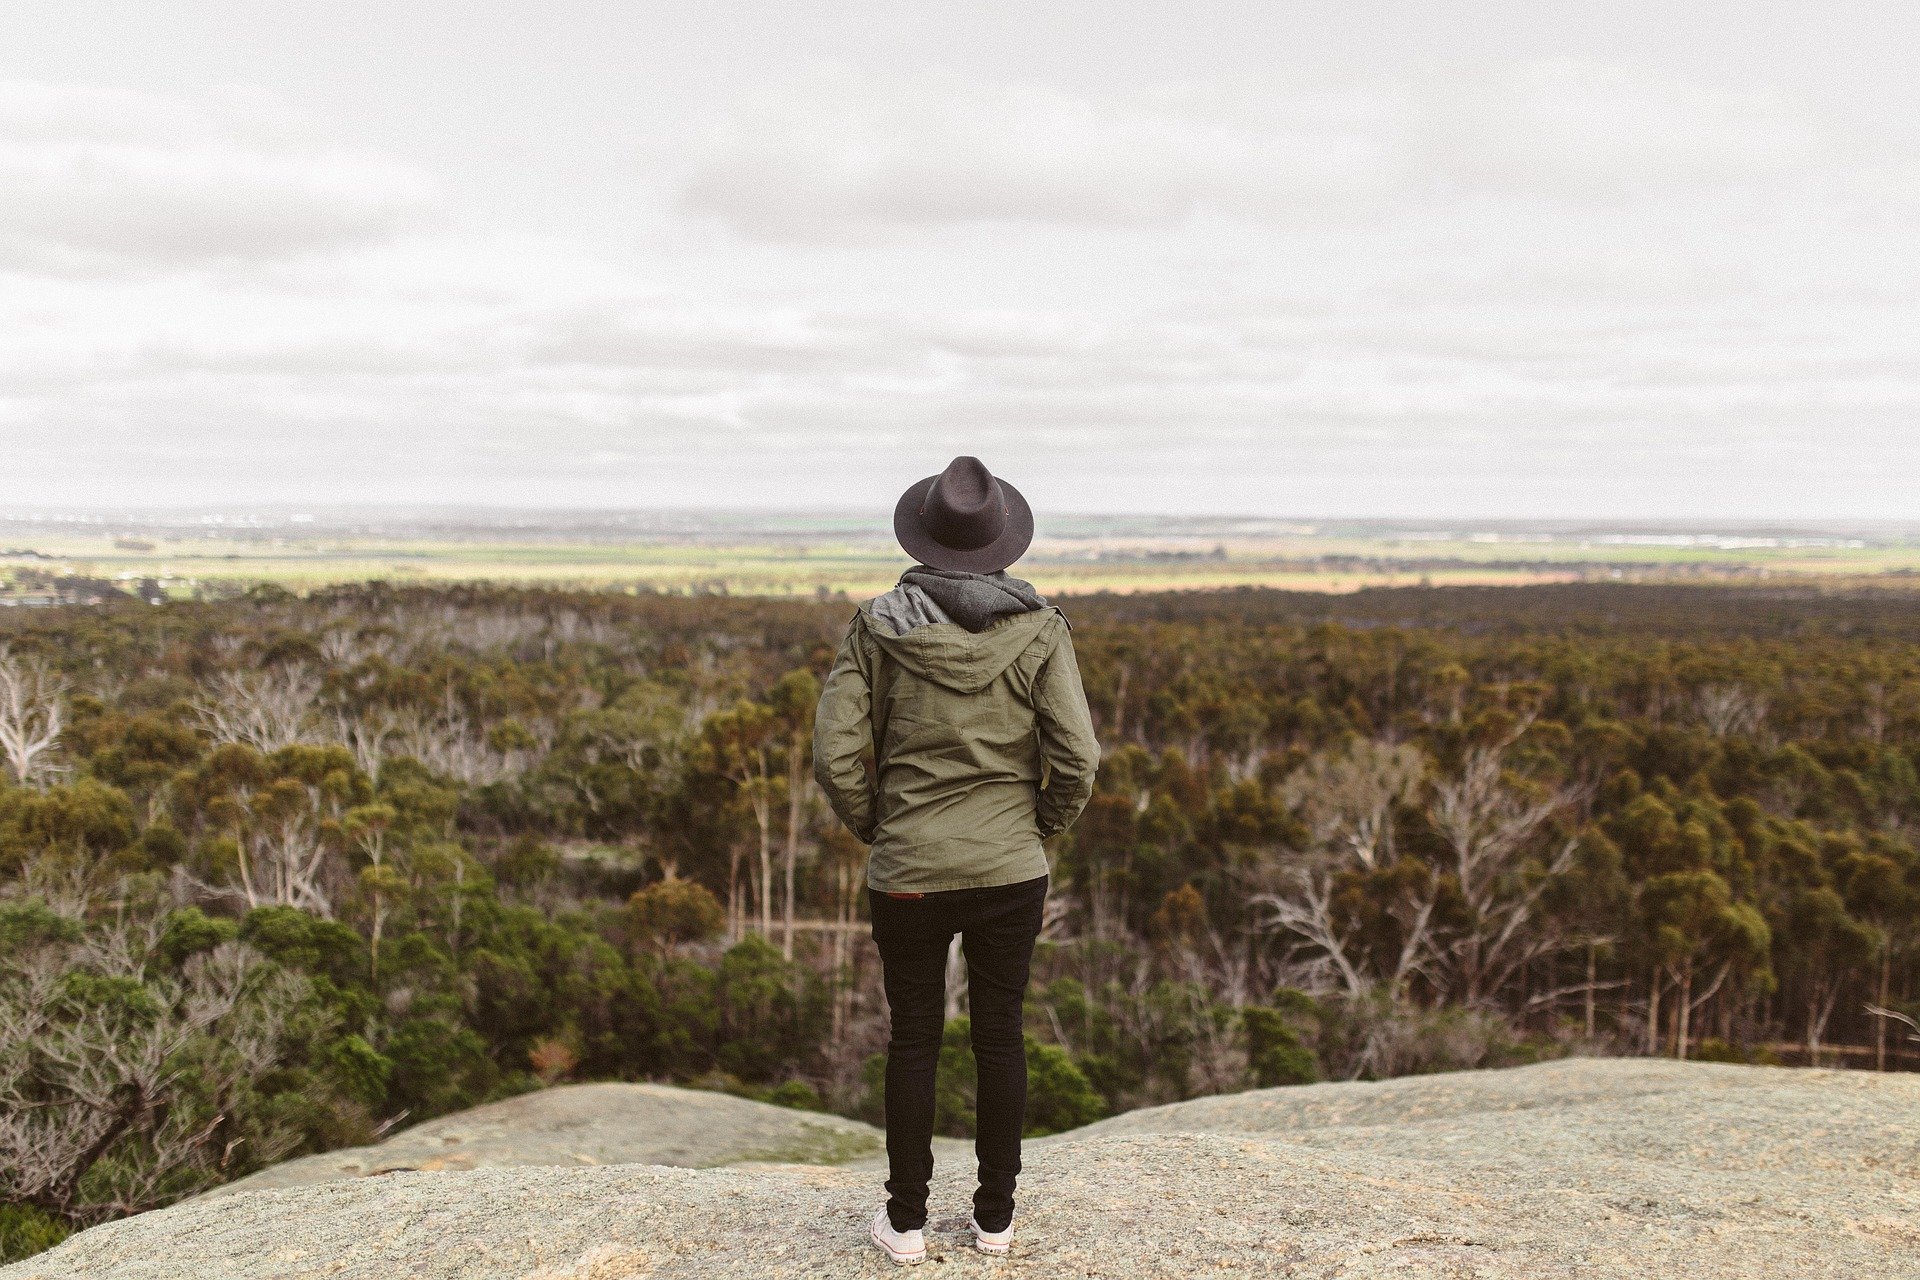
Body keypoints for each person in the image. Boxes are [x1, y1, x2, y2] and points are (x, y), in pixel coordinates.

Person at [813, 456, 1101, 1265]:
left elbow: (834, 755)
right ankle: (996, 1221)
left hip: (908, 871)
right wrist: (1033, 828)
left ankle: (905, 1225)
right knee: (1000, 1037)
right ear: (1000, 544)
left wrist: (881, 826)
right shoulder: (1041, 629)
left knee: (914, 1040)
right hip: (1011, 868)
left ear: (926, 535)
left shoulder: (875, 626)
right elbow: (1077, 758)